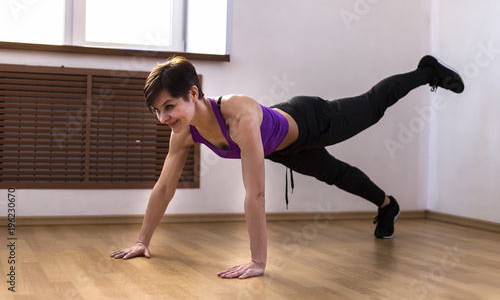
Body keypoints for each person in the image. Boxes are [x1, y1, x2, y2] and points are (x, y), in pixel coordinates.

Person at [110, 55, 464, 279]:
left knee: (371, 107)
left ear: (193, 93)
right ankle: (388, 205)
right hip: (283, 149)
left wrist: (258, 261)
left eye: (168, 106)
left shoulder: (239, 114)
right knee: (337, 174)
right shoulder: (184, 133)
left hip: (309, 120)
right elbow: (164, 188)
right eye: (157, 111)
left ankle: (426, 70)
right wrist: (142, 241)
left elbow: (256, 194)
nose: (163, 118)